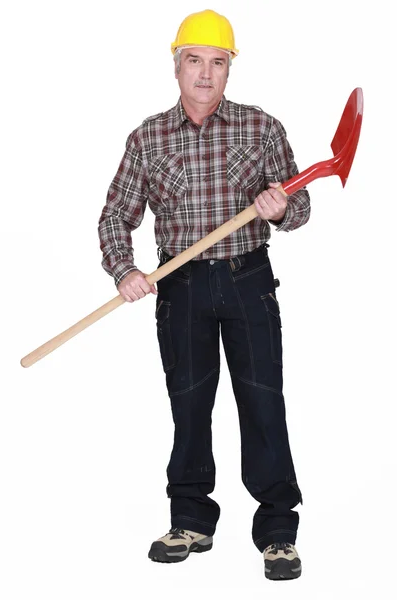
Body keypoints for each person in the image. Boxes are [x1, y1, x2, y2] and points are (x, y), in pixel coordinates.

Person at [98, 9, 310, 580]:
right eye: (196, 61)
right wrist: (125, 271)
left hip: (249, 281)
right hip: (180, 286)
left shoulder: (261, 127)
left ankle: (277, 533)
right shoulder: (148, 137)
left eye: (218, 63)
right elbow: (117, 214)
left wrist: (284, 206)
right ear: (177, 66)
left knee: (263, 402)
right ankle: (191, 520)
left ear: (229, 68)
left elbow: (303, 207)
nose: (206, 74)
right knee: (189, 404)